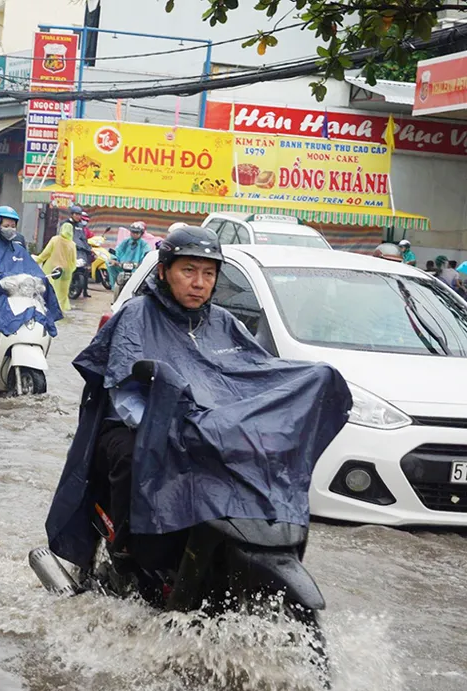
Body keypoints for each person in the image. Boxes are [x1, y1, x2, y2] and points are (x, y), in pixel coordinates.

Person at [43, 226, 352, 576]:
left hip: (204, 430)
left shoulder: (224, 322)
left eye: (208, 274)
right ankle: (130, 549)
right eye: (188, 271)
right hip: (138, 429)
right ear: (164, 271)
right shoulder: (138, 315)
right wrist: (165, 428)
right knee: (134, 457)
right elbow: (125, 392)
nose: (199, 283)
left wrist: (307, 384)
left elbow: (255, 375)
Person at [0, 206, 63, 373]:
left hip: (18, 298)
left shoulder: (19, 250)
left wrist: (43, 280)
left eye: (13, 226)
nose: (10, 229)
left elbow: (33, 271)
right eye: (6, 225)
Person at [34, 221, 77, 311]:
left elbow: (45, 253)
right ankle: (60, 311)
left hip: (52, 270)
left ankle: (49, 310)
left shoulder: (55, 239)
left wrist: (37, 259)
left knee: (50, 291)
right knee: (62, 294)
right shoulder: (72, 244)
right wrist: (70, 270)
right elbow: (73, 261)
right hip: (66, 271)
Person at [109, 221, 151, 288]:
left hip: (137, 268)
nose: (134, 234)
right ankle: (114, 285)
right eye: (133, 232)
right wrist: (114, 259)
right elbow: (117, 250)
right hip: (122, 266)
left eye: (137, 232)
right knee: (109, 264)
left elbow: (147, 254)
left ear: (141, 233)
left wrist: (143, 263)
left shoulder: (144, 244)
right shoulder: (125, 241)